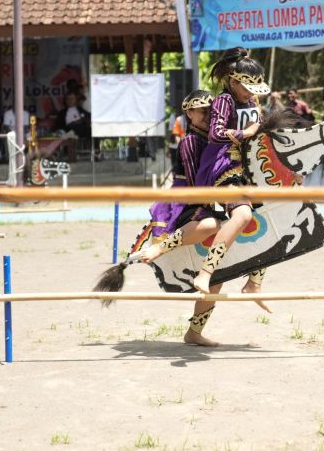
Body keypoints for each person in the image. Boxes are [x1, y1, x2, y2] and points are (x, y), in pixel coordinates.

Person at [97, 91, 225, 346]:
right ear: (189, 114)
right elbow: (194, 183)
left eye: (211, 110)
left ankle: (194, 332)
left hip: (207, 195)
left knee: (218, 279)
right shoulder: (190, 141)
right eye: (202, 111)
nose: (208, 114)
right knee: (214, 224)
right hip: (187, 199)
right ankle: (159, 248)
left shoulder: (211, 137)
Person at [193, 47, 270, 307]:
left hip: (248, 167)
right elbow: (215, 133)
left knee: (271, 218)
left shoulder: (252, 102)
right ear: (234, 82)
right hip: (223, 165)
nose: (251, 95)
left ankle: (254, 283)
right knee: (244, 215)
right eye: (247, 89)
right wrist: (245, 133)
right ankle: (205, 272)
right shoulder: (224, 100)